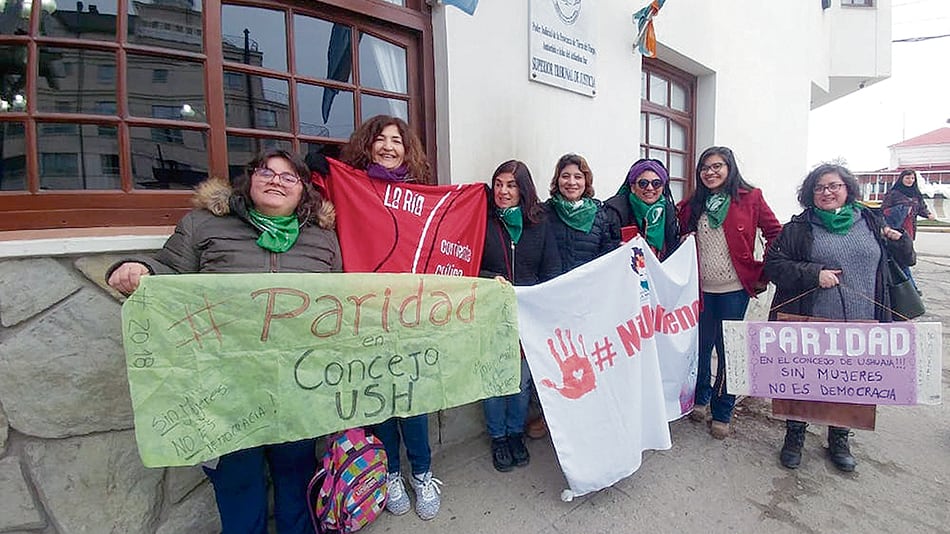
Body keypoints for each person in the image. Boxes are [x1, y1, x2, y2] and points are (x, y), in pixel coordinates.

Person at [107, 149, 341, 534]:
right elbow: (167, 267)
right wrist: (136, 268)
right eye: (266, 171)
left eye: (288, 176)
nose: (276, 181)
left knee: (296, 482)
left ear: (303, 190)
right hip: (226, 391)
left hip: (298, 387)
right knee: (238, 487)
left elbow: (342, 304)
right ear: (249, 179)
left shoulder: (322, 240)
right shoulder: (205, 225)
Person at [764, 164, 913, 472]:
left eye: (834, 186)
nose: (827, 192)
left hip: (861, 319)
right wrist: (813, 274)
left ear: (847, 189)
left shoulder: (871, 221)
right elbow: (774, 265)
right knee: (803, 379)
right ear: (810, 193)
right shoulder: (799, 227)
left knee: (848, 382)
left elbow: (906, 258)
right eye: (819, 188)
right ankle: (794, 437)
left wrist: (898, 239)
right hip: (811, 319)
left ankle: (839, 438)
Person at [337, 114, 442, 521]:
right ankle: (391, 475)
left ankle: (422, 473)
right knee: (379, 402)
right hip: (364, 314)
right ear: (367, 145)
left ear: (406, 149)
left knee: (410, 401)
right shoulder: (352, 188)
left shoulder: (419, 193)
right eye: (380, 139)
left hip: (409, 315)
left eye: (396, 140)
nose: (388, 146)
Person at [678, 146, 782, 439]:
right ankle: (700, 398)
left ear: (729, 168)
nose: (710, 172)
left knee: (727, 349)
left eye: (717, 166)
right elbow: (679, 239)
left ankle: (722, 410)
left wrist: (761, 270)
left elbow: (776, 233)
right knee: (700, 345)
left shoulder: (751, 198)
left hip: (734, 290)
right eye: (705, 168)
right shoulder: (692, 204)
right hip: (699, 290)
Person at [479, 159, 561, 471]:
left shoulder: (539, 223)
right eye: (498, 184)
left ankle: (515, 433)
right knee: (493, 380)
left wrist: (532, 294)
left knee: (521, 380)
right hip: (490, 314)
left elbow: (551, 268)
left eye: (511, 185)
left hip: (527, 316)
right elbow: (469, 263)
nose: (503, 191)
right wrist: (490, 278)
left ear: (523, 189)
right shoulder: (483, 220)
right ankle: (498, 437)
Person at [604, 158, 681, 260]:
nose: (650, 188)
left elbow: (673, 245)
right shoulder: (615, 210)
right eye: (643, 183)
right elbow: (604, 245)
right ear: (632, 187)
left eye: (656, 183)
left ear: (663, 187)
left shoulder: (669, 209)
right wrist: (618, 248)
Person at [881, 169, 935, 295]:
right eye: (907, 178)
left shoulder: (916, 194)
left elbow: (922, 208)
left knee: (902, 259)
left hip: (909, 231)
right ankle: (911, 288)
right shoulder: (894, 193)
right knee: (902, 260)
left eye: (912, 178)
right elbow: (884, 210)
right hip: (896, 230)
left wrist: (928, 214)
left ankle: (908, 288)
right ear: (902, 179)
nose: (910, 181)